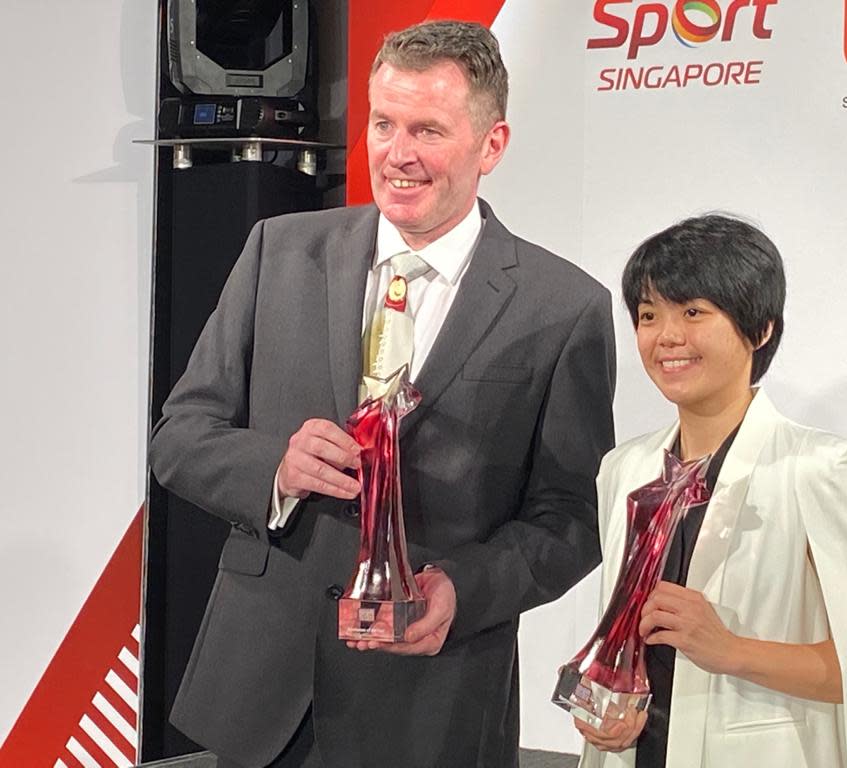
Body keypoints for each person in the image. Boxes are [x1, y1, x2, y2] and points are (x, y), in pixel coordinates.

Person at [149, 20, 615, 768]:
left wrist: (462, 591)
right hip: (263, 696)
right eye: (383, 124)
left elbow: (571, 519)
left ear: (491, 145)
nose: (398, 155)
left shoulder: (563, 308)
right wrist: (275, 469)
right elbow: (179, 435)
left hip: (436, 703)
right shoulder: (279, 249)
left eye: (428, 130)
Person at [576, 215, 847, 768]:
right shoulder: (626, 469)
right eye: (649, 315)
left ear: (761, 328)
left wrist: (730, 650)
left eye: (693, 312)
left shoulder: (823, 469)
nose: (667, 336)